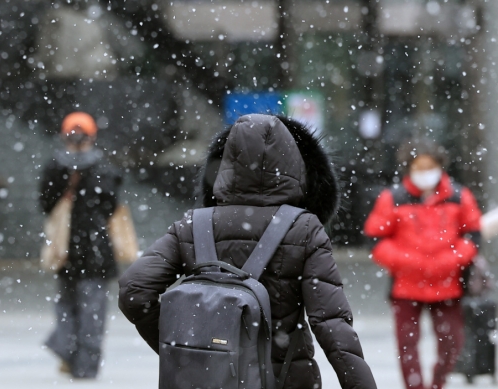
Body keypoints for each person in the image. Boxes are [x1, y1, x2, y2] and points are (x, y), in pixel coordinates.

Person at [119, 114, 377, 389]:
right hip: (282, 379)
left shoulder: (194, 225)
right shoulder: (304, 229)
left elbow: (134, 291)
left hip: (205, 381)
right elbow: (331, 323)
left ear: (227, 163)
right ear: (295, 166)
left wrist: (188, 350)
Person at [364, 139, 481, 389]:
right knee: (407, 345)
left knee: (451, 342)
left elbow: (473, 234)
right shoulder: (393, 198)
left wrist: (451, 260)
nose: (425, 172)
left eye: (430, 166)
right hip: (406, 286)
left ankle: (438, 383)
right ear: (409, 169)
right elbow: (375, 238)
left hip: (448, 284)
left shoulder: (459, 197)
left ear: (440, 166)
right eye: (419, 167)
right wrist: (406, 262)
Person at [40, 111, 122, 378]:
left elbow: (45, 203)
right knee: (93, 311)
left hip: (66, 249)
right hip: (96, 247)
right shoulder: (104, 168)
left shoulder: (55, 166)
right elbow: (110, 205)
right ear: (92, 136)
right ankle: (86, 365)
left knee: (66, 305)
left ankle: (65, 348)